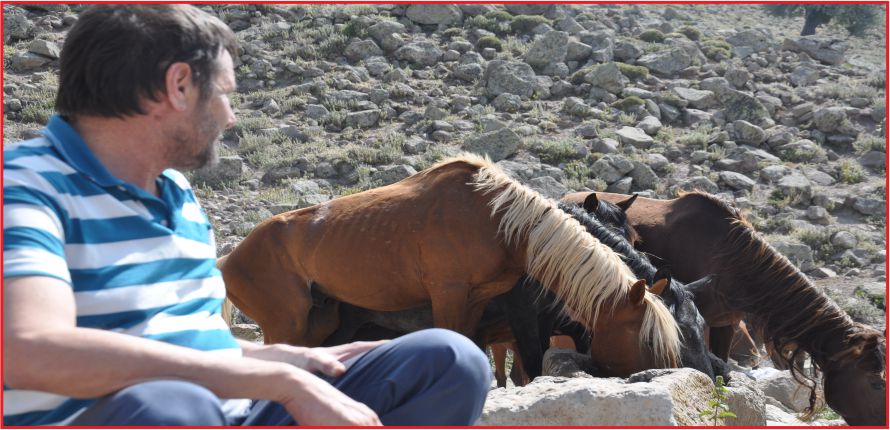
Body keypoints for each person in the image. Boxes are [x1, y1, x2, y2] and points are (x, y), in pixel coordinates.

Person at [2, 5, 492, 426]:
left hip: (226, 407)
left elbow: (187, 346)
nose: (230, 116)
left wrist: (289, 358)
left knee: (449, 359)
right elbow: (30, 352)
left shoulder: (175, 192)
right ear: (178, 86)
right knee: (173, 405)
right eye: (223, 92)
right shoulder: (24, 187)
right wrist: (274, 379)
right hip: (144, 414)